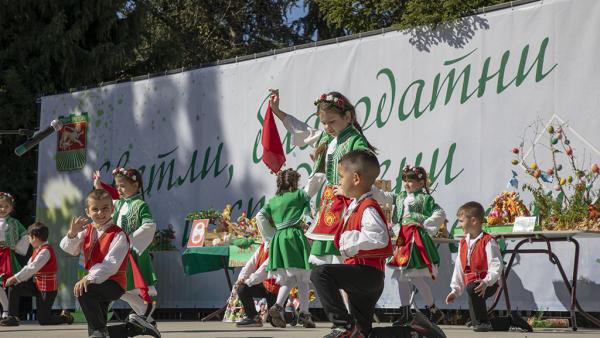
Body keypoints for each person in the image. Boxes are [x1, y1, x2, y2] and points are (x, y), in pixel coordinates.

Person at [269, 89, 376, 266]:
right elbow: (303, 130)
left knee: (342, 258)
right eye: (324, 123)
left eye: (332, 122)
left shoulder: (355, 141)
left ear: (348, 117)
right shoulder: (327, 137)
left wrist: (346, 187)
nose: (327, 127)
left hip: (347, 205)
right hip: (330, 203)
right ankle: (334, 293)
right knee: (326, 262)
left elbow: (365, 166)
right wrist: (277, 111)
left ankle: (345, 293)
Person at [311, 150, 393, 338]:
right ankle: (416, 331)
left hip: (366, 273)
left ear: (355, 178)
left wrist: (349, 239)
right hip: (366, 276)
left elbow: (379, 237)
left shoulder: (368, 207)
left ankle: (344, 324)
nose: (339, 182)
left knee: (321, 274)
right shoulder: (358, 204)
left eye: (341, 176)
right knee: (364, 334)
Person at [60, 189, 159, 338]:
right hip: (98, 282)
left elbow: (110, 264)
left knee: (84, 291)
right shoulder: (87, 231)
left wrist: (88, 278)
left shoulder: (118, 235)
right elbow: (70, 249)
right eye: (95, 209)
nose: (100, 213)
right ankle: (135, 328)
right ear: (87, 212)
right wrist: (72, 234)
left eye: (105, 208)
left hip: (114, 284)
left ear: (112, 209)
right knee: (99, 332)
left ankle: (100, 332)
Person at [374, 166, 446, 324]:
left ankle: (432, 310)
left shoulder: (425, 199)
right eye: (405, 180)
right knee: (402, 277)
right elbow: (383, 196)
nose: (406, 184)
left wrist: (424, 222)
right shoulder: (399, 196)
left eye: (411, 181)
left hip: (414, 238)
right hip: (403, 238)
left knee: (414, 277)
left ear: (421, 183)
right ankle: (408, 312)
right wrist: (369, 186)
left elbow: (440, 213)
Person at [94, 168, 158, 325]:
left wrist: (130, 240)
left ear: (135, 185)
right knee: (119, 287)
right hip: (119, 253)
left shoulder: (140, 205)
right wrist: (98, 186)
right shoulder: (118, 204)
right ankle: (147, 315)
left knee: (120, 287)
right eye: (117, 186)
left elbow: (149, 225)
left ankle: (146, 315)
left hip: (132, 253)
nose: (118, 189)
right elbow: (106, 199)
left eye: (122, 186)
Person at [256, 168, 316, 328]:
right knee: (303, 277)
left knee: (291, 276)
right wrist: (309, 225)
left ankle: (278, 306)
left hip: (279, 238)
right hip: (294, 237)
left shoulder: (274, 200)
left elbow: (259, 216)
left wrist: (270, 236)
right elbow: (308, 215)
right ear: (295, 182)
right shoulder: (299, 195)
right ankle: (304, 313)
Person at [0, 222, 73, 326]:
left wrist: (15, 277)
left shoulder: (45, 251)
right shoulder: (38, 250)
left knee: (44, 320)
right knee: (14, 285)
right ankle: (13, 317)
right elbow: (28, 267)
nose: (29, 240)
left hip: (47, 289)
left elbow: (32, 268)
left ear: (34, 237)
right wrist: (15, 278)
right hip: (37, 285)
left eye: (29, 237)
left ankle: (65, 317)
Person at [445, 201, 503, 332]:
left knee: (472, 287)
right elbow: (459, 268)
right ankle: (479, 320)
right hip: (473, 283)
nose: (460, 224)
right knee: (471, 287)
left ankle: (482, 322)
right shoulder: (463, 243)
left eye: (461, 221)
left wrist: (486, 282)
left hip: (489, 283)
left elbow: (496, 266)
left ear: (473, 221)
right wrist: (455, 290)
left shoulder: (488, 241)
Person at [0, 192, 29, 319]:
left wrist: (15, 247)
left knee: (6, 283)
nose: (3, 209)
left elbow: (26, 235)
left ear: (11, 208)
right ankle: (6, 310)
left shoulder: (14, 222)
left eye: (6, 206)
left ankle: (7, 311)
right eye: (0, 206)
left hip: (6, 255)